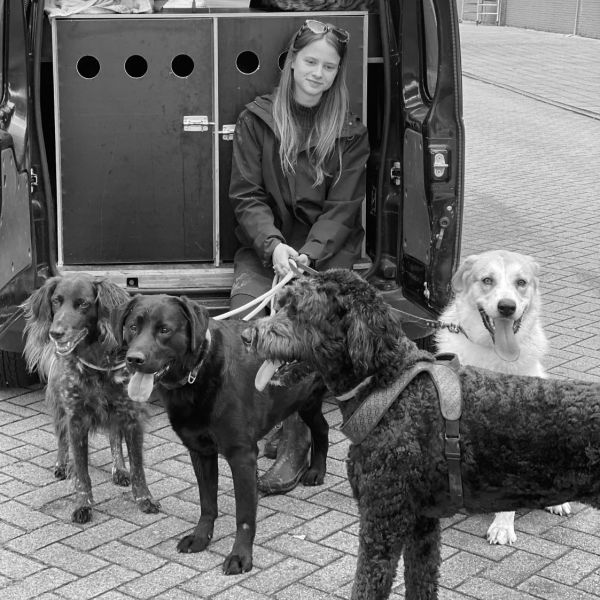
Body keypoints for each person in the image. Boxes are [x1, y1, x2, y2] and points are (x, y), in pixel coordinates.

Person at [229, 19, 370, 494]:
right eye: (310, 61)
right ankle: (255, 420)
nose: (318, 73)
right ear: (290, 62)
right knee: (246, 317)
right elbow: (246, 197)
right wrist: (273, 247)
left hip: (325, 253)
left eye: (329, 67)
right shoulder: (258, 118)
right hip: (268, 247)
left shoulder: (350, 131)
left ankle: (295, 444)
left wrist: (306, 257)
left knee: (302, 327)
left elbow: (343, 209)